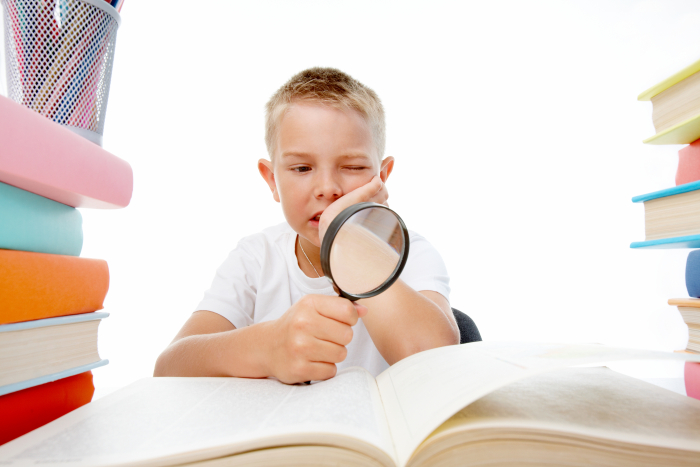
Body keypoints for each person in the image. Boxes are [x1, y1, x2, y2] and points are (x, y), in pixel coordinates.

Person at [154, 67, 459, 383]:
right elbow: (169, 369)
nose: (327, 187)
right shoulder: (256, 258)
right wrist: (267, 347)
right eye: (302, 168)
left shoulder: (413, 253)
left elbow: (438, 364)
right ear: (272, 180)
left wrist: (349, 243)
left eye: (352, 166)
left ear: (382, 177)